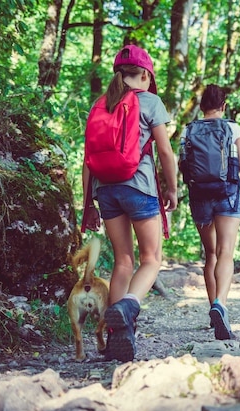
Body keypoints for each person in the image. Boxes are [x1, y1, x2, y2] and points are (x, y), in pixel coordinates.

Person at [82, 45, 178, 362]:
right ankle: (129, 305)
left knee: (123, 261)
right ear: (146, 76)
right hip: (138, 187)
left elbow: (87, 162)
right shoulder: (150, 101)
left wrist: (88, 205)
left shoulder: (101, 104)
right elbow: (165, 152)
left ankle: (116, 337)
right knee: (151, 259)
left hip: (105, 192)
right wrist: (173, 189)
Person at [180, 84, 240, 340]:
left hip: (200, 197)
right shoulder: (233, 127)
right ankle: (221, 304)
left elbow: (184, 167)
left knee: (210, 254)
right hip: (228, 195)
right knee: (225, 253)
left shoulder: (188, 130)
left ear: (201, 107)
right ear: (223, 106)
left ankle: (213, 308)